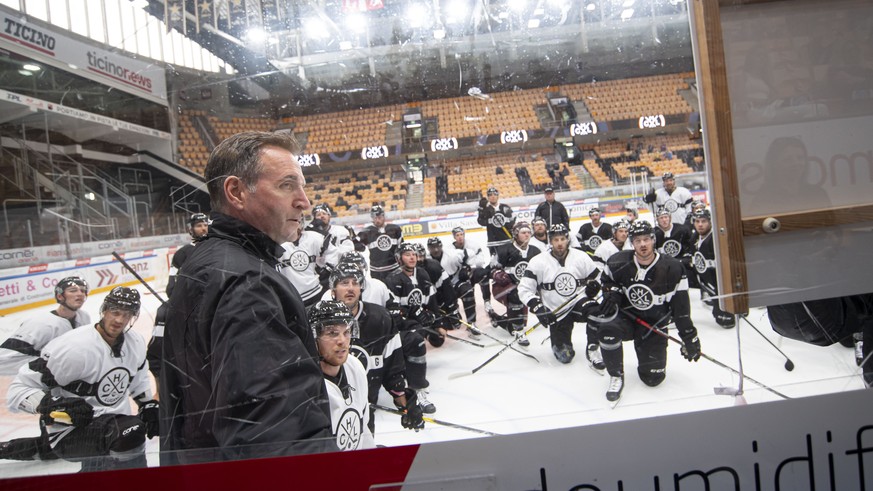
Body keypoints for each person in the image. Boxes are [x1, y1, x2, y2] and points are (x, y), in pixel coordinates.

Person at [161, 131, 335, 464]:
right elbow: (279, 443)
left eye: (302, 186)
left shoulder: (208, 262)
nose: (304, 202)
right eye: (287, 185)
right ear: (237, 192)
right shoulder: (248, 284)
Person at [2, 287, 157, 472]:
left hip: (114, 423)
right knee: (130, 431)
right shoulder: (72, 348)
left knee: (128, 431)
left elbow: (138, 379)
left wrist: (147, 404)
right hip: (71, 432)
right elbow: (18, 389)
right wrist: (50, 404)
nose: (119, 320)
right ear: (104, 310)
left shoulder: (135, 342)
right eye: (115, 312)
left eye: (126, 315)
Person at [590, 220, 702, 402]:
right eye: (637, 240)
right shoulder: (618, 261)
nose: (642, 244)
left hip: (653, 324)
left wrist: (689, 336)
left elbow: (681, 309)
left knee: (653, 379)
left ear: (653, 240)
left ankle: (648, 363)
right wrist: (612, 293)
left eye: (646, 239)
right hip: (627, 318)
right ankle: (616, 375)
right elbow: (608, 282)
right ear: (632, 243)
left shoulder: (673, 267)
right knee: (607, 329)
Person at [328, 264, 426, 432]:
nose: (350, 288)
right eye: (344, 283)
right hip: (329, 411)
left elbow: (392, 368)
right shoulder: (319, 322)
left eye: (355, 283)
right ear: (333, 290)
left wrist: (405, 404)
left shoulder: (381, 318)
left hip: (366, 408)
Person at [518, 224, 602, 365]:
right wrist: (538, 307)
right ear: (550, 241)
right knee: (565, 357)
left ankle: (592, 348)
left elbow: (599, 277)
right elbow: (524, 288)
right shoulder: (538, 261)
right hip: (556, 310)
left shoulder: (580, 256)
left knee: (597, 313)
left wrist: (595, 287)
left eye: (562, 239)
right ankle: (560, 342)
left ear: (567, 239)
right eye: (556, 240)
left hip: (578, 302)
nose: (560, 243)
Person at [383, 242, 440, 413]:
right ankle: (416, 389)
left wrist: (435, 321)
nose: (412, 257)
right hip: (398, 328)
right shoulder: (392, 279)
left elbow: (431, 300)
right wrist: (415, 318)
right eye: (407, 254)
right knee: (415, 342)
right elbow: (394, 314)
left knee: (429, 340)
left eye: (414, 254)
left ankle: (415, 383)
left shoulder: (422, 274)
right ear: (399, 258)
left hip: (415, 325)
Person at [0, 277, 91, 376]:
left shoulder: (84, 317)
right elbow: (5, 358)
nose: (80, 294)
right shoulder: (40, 324)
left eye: (83, 291)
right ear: (60, 296)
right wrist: (44, 367)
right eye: (73, 290)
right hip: (31, 377)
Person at [490, 221, 543, 346]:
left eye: (528, 232)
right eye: (523, 232)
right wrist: (497, 274)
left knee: (520, 319)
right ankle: (518, 331)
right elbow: (490, 269)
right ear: (515, 234)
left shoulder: (535, 251)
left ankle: (499, 319)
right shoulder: (504, 250)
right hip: (503, 288)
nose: (527, 235)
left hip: (525, 288)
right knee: (516, 294)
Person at [688, 209, 735, 328]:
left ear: (710, 222)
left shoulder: (717, 239)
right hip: (703, 276)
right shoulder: (695, 237)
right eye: (697, 221)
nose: (700, 224)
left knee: (725, 319)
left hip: (718, 279)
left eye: (703, 221)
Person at [279, 219, 339, 308]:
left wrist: (326, 269)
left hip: (316, 292)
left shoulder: (313, 237)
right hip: (290, 298)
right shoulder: (277, 242)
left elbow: (331, 251)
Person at [451, 226, 492, 321]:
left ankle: (487, 301)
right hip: (459, 276)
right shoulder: (450, 249)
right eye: (457, 235)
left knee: (483, 274)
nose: (460, 237)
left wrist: (468, 267)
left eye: (461, 234)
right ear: (454, 237)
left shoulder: (473, 245)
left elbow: (481, 261)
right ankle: (455, 305)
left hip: (473, 272)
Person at [357, 205, 404, 282]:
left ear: (383, 216)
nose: (377, 220)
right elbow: (358, 247)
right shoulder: (366, 232)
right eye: (375, 218)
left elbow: (401, 248)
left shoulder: (395, 229)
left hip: (394, 268)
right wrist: (353, 239)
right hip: (376, 271)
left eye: (379, 217)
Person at [167, 213, 209, 296]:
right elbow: (172, 282)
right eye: (199, 226)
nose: (203, 228)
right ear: (191, 229)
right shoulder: (182, 253)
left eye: (205, 225)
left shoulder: (217, 247)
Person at [477, 186, 515, 254]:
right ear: (488, 197)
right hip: (493, 242)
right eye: (490, 195)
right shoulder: (486, 209)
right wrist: (481, 209)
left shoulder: (505, 207)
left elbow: (513, 218)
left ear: (498, 196)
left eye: (495, 194)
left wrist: (508, 225)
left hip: (507, 240)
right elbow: (481, 221)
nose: (493, 196)